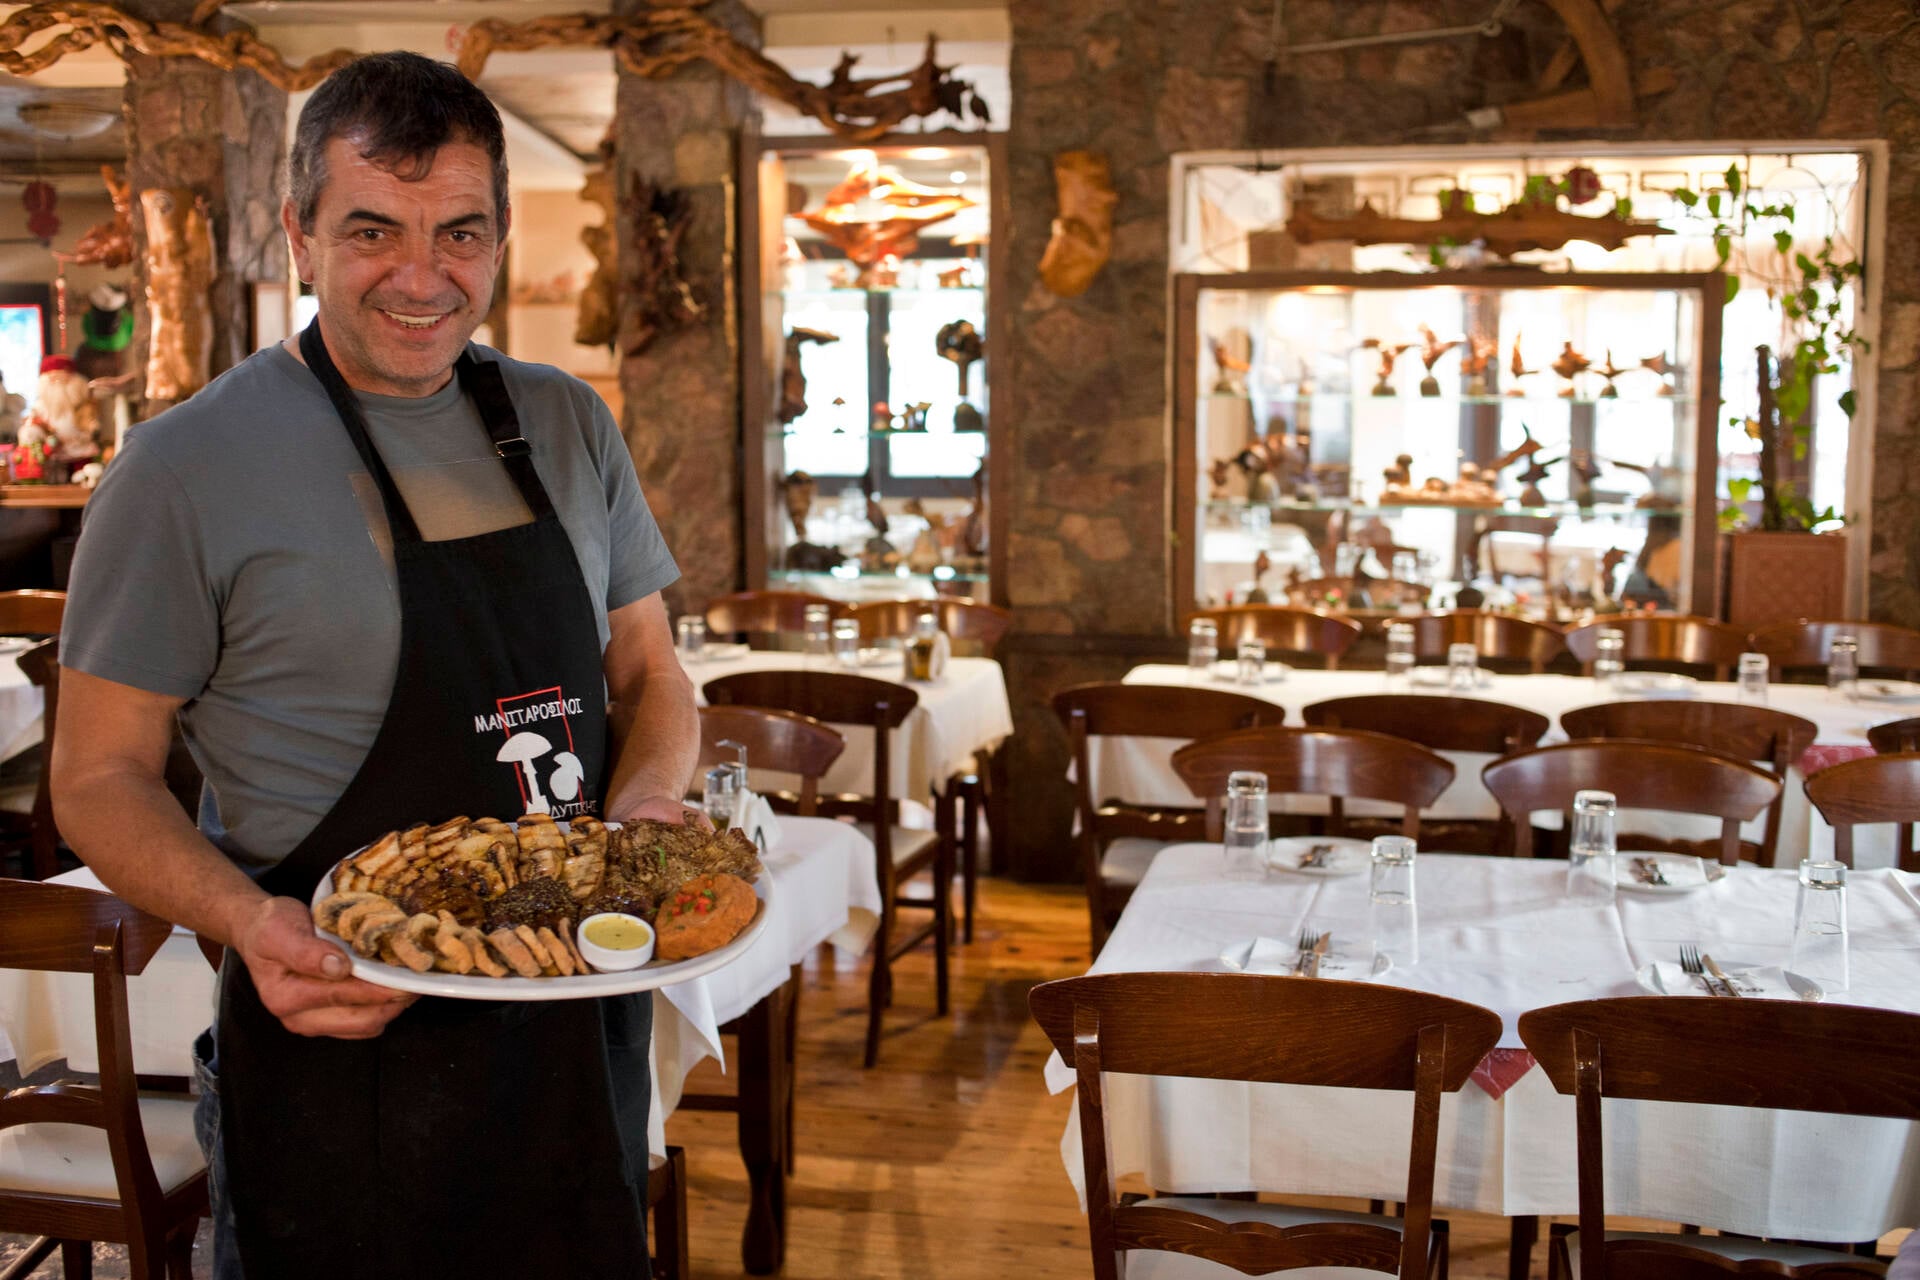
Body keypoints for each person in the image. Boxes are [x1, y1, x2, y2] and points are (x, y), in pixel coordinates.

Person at [52, 51, 698, 1278]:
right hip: (335, 1042)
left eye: (460, 232)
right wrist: (247, 920)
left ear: (500, 239)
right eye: (371, 230)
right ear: (298, 235)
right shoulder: (184, 468)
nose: (421, 276)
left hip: (575, 1036)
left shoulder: (569, 421)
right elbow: (95, 776)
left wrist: (649, 807)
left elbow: (652, 673)